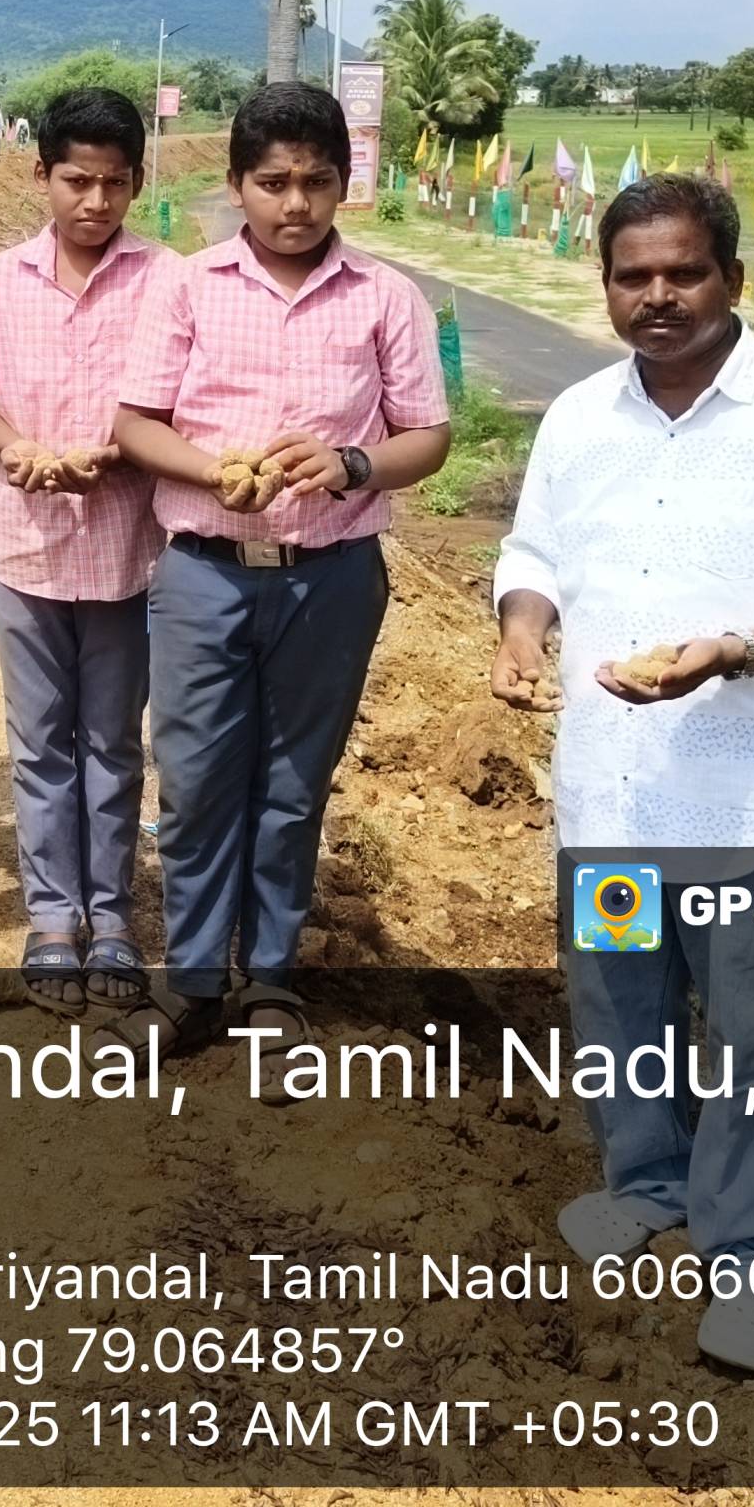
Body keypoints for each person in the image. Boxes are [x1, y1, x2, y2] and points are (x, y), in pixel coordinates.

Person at [490, 171, 754, 1376]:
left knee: (750, 1036)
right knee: (620, 1009)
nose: (657, 296)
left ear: (731, 276)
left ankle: (752, 1258)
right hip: (611, 801)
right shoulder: (578, 418)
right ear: (606, 284)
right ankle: (646, 1183)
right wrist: (522, 627)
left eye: (682, 271)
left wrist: (733, 652)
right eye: (632, 275)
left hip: (750, 806)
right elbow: (532, 550)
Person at [111, 82, 452, 1059]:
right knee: (193, 775)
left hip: (331, 576)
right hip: (202, 572)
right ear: (235, 185)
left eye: (314, 181)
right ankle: (187, 980)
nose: (293, 203)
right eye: (271, 182)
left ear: (345, 183)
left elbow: (424, 435)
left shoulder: (385, 296)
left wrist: (350, 464)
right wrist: (213, 470)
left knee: (294, 782)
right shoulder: (184, 285)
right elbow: (136, 422)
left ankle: (266, 978)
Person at [0, 87, 173, 1012]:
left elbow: (179, 408)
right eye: (76, 181)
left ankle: (111, 915)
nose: (94, 202)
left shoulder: (167, 280)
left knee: (112, 742)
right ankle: (52, 917)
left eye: (114, 184)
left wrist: (113, 452)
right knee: (41, 742)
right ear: (40, 175)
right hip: (25, 544)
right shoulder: (2, 281)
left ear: (134, 184)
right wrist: (20, 451)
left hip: (128, 548)